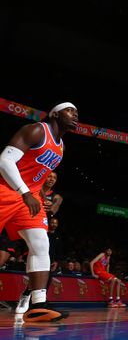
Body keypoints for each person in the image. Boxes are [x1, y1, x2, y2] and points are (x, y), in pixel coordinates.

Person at [0, 102, 78, 322]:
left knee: (41, 244)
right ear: (55, 114)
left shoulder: (61, 146)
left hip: (28, 198)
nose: (75, 116)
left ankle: (38, 305)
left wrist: (38, 197)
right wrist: (24, 192)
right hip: (5, 189)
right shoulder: (36, 130)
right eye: (70, 111)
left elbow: (38, 176)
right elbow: (4, 160)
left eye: (77, 113)